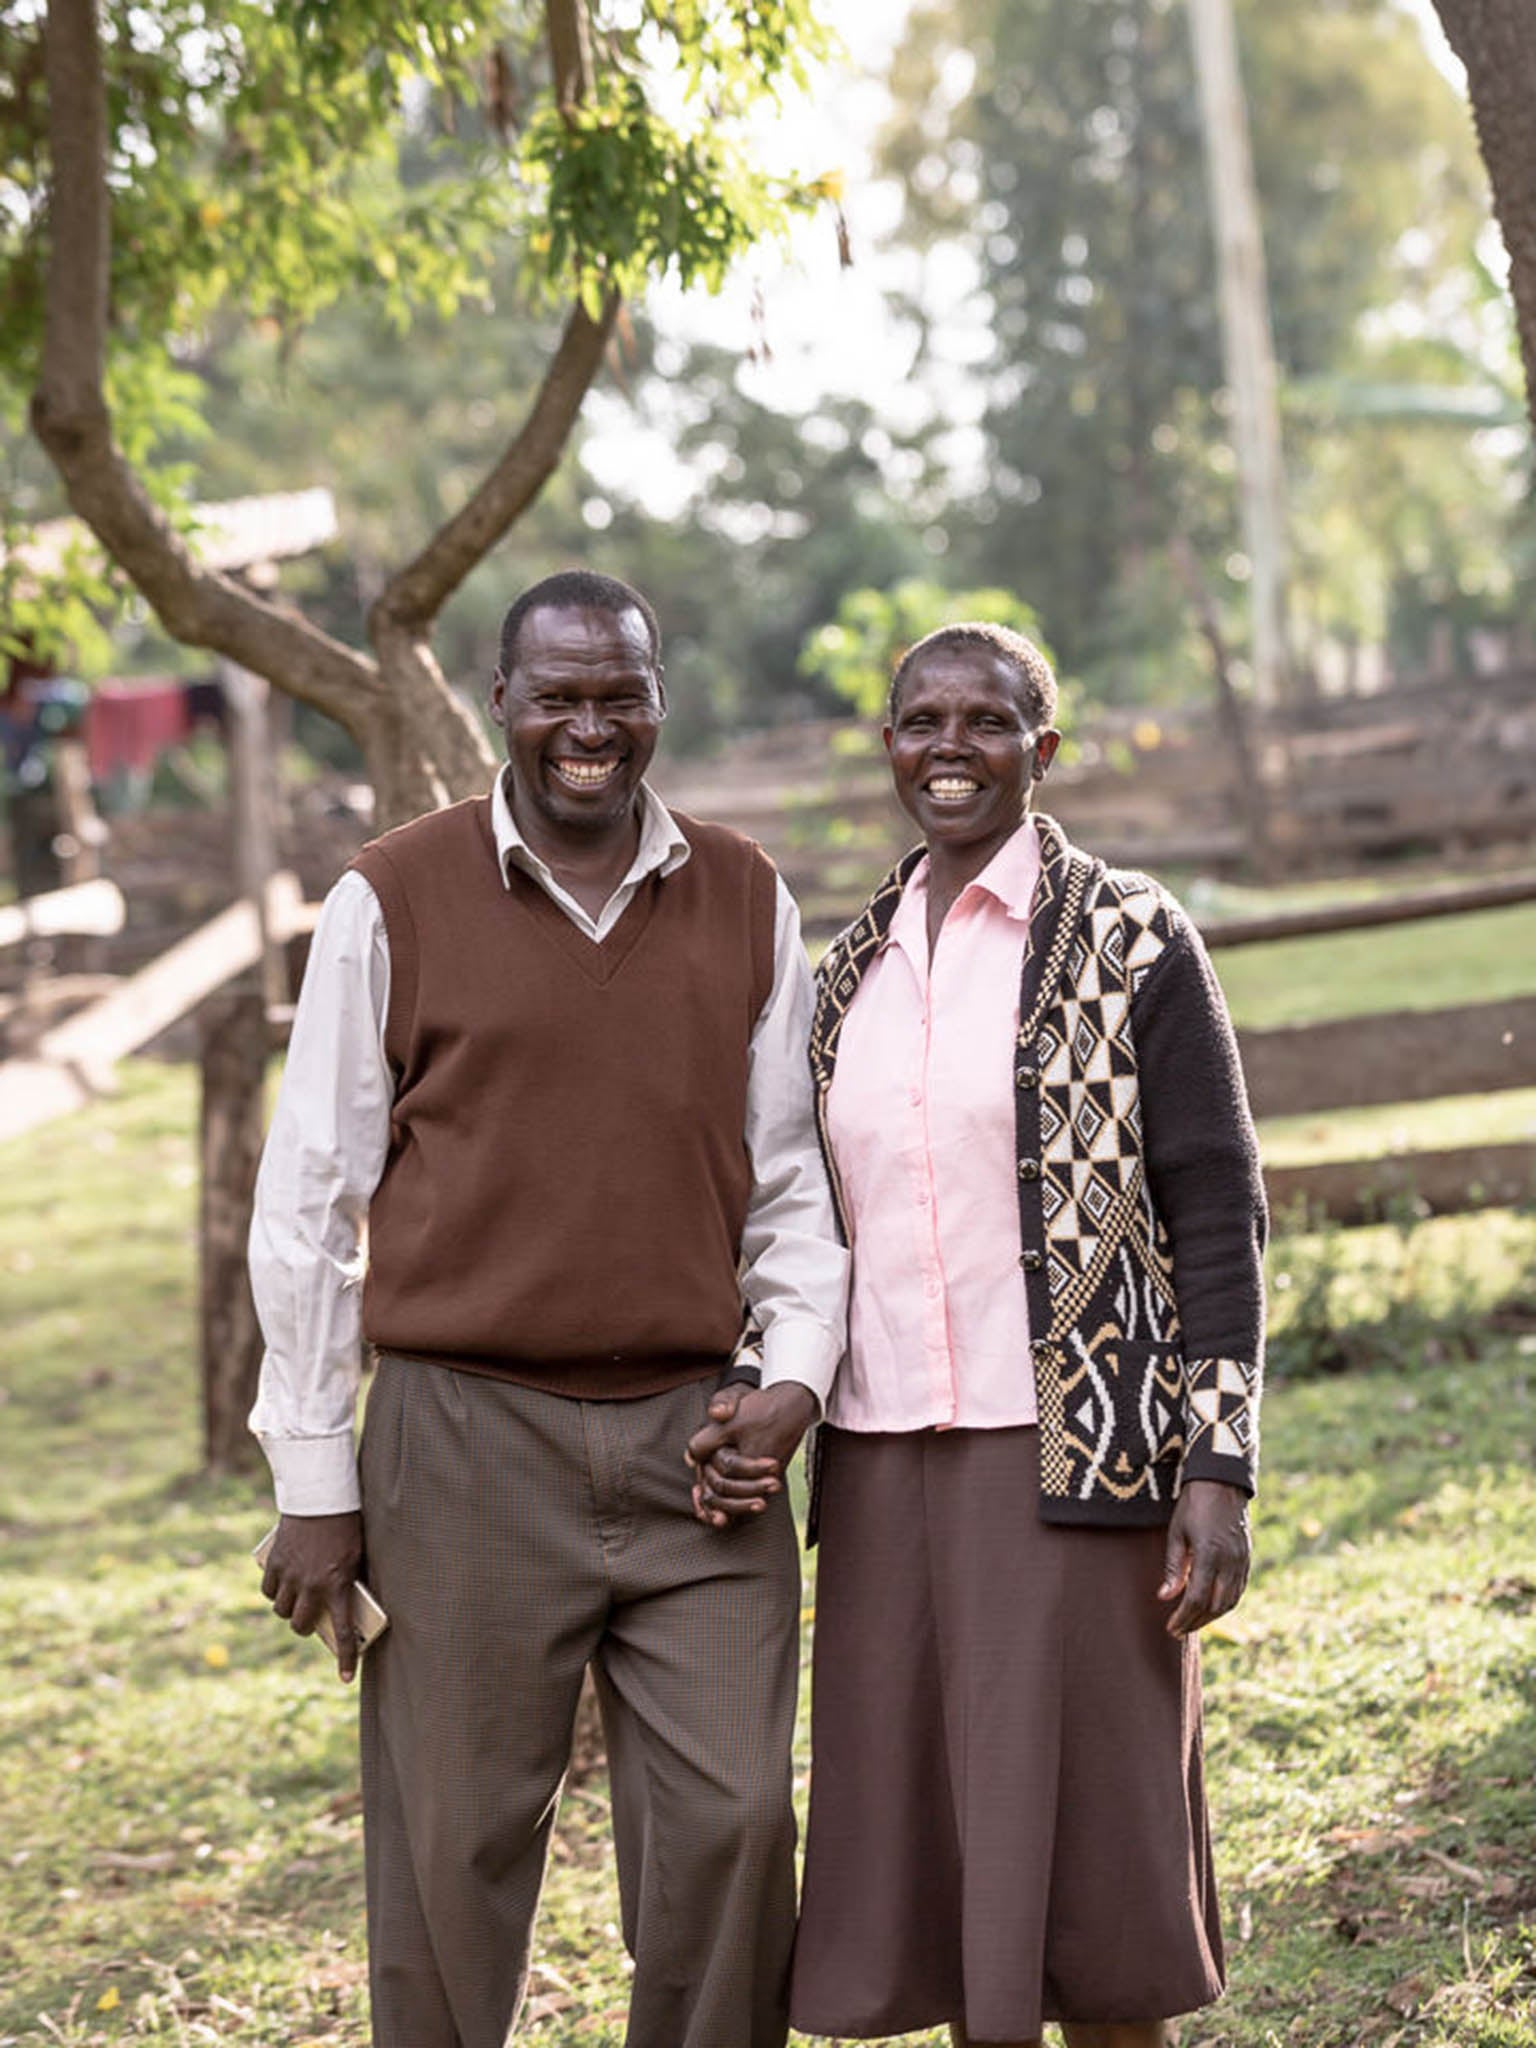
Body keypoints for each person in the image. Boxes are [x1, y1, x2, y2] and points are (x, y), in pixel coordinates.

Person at [248, 569, 847, 2048]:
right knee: (453, 1851)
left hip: (698, 1445)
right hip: (460, 1444)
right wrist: (316, 1482)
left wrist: (793, 1379)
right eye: (560, 695)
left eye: (621, 694)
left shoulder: (747, 896)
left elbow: (788, 1187)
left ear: (658, 702)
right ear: (501, 705)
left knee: (735, 1822)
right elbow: (312, 1200)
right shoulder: (388, 898)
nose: (592, 724)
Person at [703, 621, 1265, 2048]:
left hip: (1078, 1460)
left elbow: (1216, 1207)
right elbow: (803, 1224)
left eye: (989, 721)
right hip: (887, 1472)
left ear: (1043, 749)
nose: (951, 747)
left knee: (1096, 1868)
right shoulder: (841, 983)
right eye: (921, 721)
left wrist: (1220, 1466)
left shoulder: (1134, 939)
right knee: (951, 1848)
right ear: (888, 746)